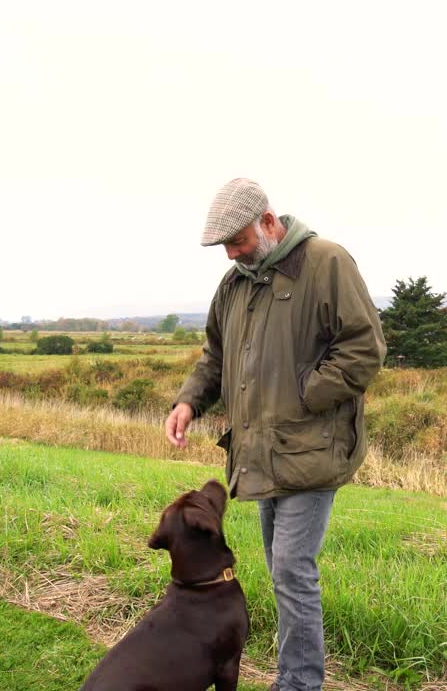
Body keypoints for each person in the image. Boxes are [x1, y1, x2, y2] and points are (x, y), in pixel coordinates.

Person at [164, 178, 386, 691]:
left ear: (268, 221)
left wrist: (303, 393)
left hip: (311, 452)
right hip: (257, 454)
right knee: (282, 572)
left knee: (291, 572)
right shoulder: (237, 283)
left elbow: (364, 349)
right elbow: (215, 357)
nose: (230, 254)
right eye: (223, 246)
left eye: (237, 241)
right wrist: (188, 400)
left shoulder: (327, 263)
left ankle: (300, 684)